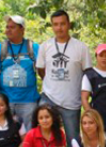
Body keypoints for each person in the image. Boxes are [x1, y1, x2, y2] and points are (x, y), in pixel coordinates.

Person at [35, 10, 89, 139]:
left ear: (69, 25)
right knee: (42, 136)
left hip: (72, 102)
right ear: (52, 26)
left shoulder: (81, 47)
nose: (59, 28)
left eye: (62, 24)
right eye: (55, 24)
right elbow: (41, 69)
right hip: (49, 97)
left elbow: (87, 74)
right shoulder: (45, 46)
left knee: (73, 140)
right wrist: (51, 82)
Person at [0, 15, 40, 127]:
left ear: (22, 29)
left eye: (12, 27)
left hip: (29, 101)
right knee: (6, 135)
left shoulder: (34, 48)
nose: (8, 30)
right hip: (5, 102)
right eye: (7, 27)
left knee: (29, 135)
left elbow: (43, 72)